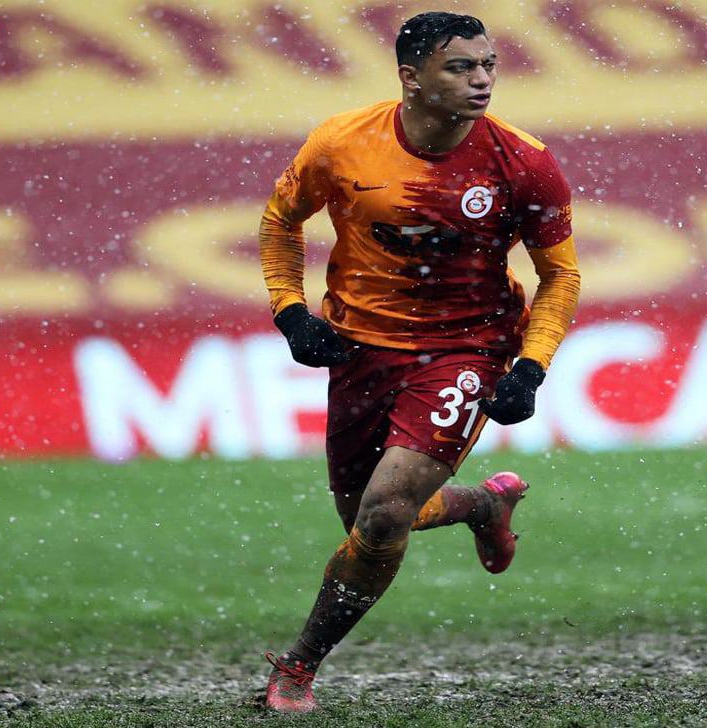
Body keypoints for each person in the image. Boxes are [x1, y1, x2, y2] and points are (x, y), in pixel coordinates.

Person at [257, 10, 581, 713]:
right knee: (365, 523)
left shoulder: (524, 162)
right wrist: (290, 312)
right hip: (360, 347)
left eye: (488, 65)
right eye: (461, 67)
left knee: (383, 517)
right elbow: (281, 220)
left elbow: (560, 276)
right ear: (411, 77)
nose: (482, 80)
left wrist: (530, 367)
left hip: (466, 348)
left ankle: (298, 667)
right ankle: (481, 504)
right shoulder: (342, 143)